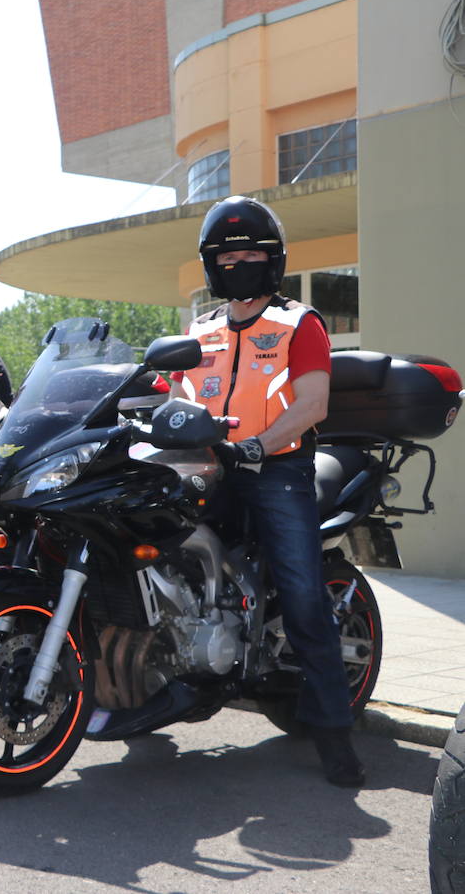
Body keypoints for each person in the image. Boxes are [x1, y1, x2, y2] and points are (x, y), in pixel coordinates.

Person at [180, 195, 362, 788]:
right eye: (225, 255)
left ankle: (333, 733)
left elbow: (313, 403)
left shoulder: (298, 324)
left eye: (249, 253)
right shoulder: (200, 331)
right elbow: (169, 394)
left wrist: (257, 446)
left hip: (276, 470)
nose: (237, 263)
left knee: (304, 593)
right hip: (206, 467)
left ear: (272, 259)